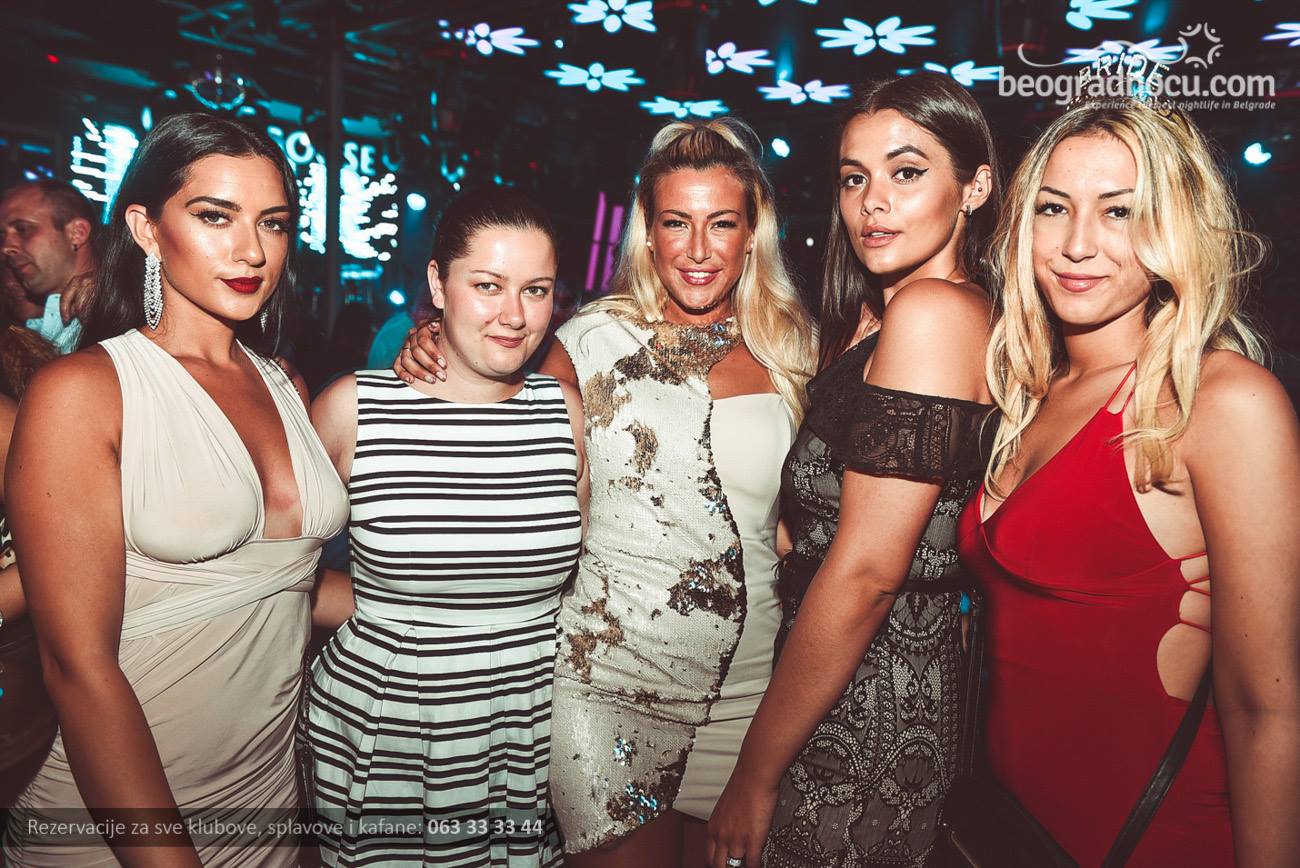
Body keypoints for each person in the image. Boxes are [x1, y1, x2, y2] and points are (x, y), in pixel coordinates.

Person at [395, 119, 817, 867]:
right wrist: (433, 343)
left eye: (722, 224)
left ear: (753, 235)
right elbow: (491, 415)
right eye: (676, 223)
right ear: (647, 235)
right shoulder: (587, 340)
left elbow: (795, 522)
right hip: (606, 685)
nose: (697, 248)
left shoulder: (793, 351)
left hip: (751, 694)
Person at [957, 101, 1300, 865]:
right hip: (1009, 833)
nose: (1078, 244)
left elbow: (1266, 710)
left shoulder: (1219, 402)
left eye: (1120, 211)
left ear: (1174, 228)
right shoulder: (1025, 391)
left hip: (1160, 840)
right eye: (1053, 208)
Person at [3, 112, 348, 867]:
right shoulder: (85, 393)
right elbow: (78, 668)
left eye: (273, 223)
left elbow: (284, 582)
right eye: (215, 216)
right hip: (121, 828)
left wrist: (475, 611)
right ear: (147, 229)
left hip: (268, 811)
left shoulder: (284, 384)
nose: (252, 250)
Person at [707, 73, 1000, 868]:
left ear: (975, 187)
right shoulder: (882, 318)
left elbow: (869, 571)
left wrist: (754, 775)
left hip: (868, 706)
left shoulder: (934, 314)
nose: (873, 201)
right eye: (853, 178)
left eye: (907, 172)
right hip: (839, 682)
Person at [303, 188, 588, 867]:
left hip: (527, 736)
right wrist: (391, 615)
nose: (514, 315)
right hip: (388, 734)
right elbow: (276, 577)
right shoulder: (354, 409)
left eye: (536, 290)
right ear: (438, 283)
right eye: (487, 285)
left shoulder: (566, 413)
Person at [0, 179, 99, 353]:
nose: (6, 248)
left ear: (77, 233)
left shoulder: (131, 311)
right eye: (2, 236)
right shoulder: (34, 332)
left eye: (22, 229)